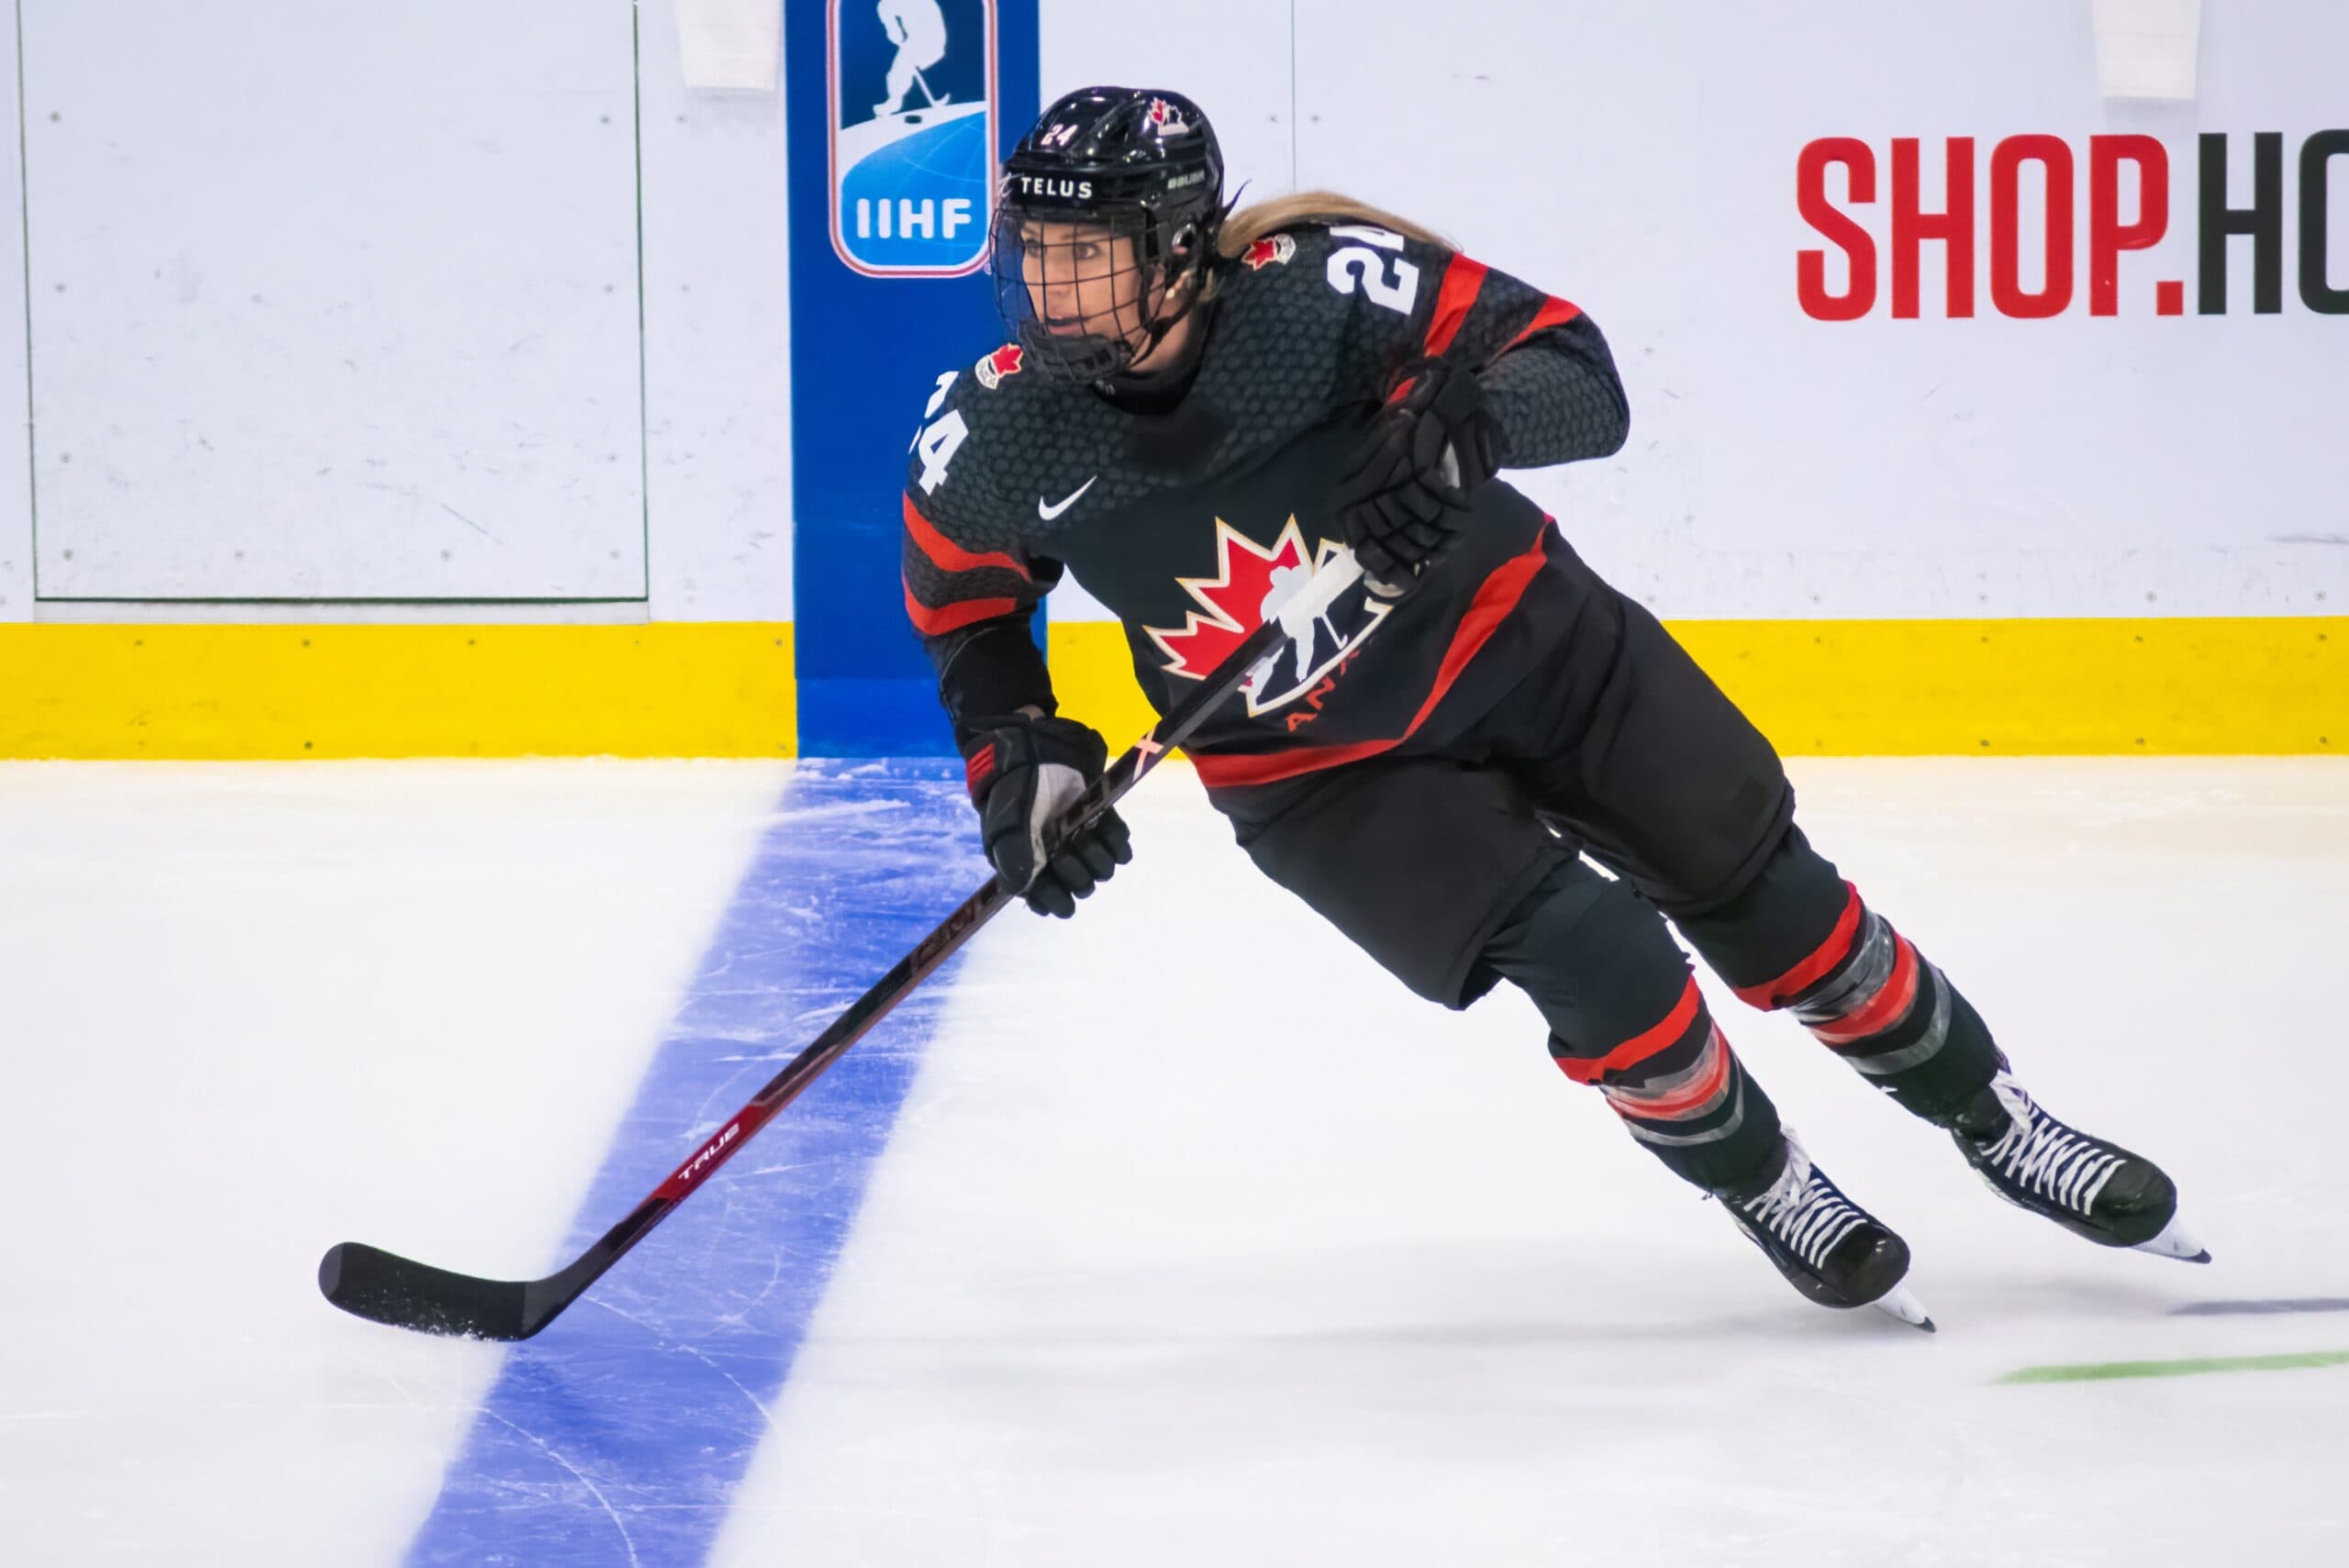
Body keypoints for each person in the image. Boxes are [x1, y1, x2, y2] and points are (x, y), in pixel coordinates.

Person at [899, 86, 2205, 1327]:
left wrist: (1462, 422)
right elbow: (966, 609)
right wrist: (1019, 762)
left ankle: (1995, 1116)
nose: (1055, 285)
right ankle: (1764, 1179)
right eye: (1041, 248)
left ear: (1183, 249)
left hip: (1532, 640)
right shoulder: (1000, 429)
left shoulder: (1324, 294)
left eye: (1092, 250)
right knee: (1601, 960)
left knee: (1778, 908)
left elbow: (1577, 372)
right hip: (1323, 775)